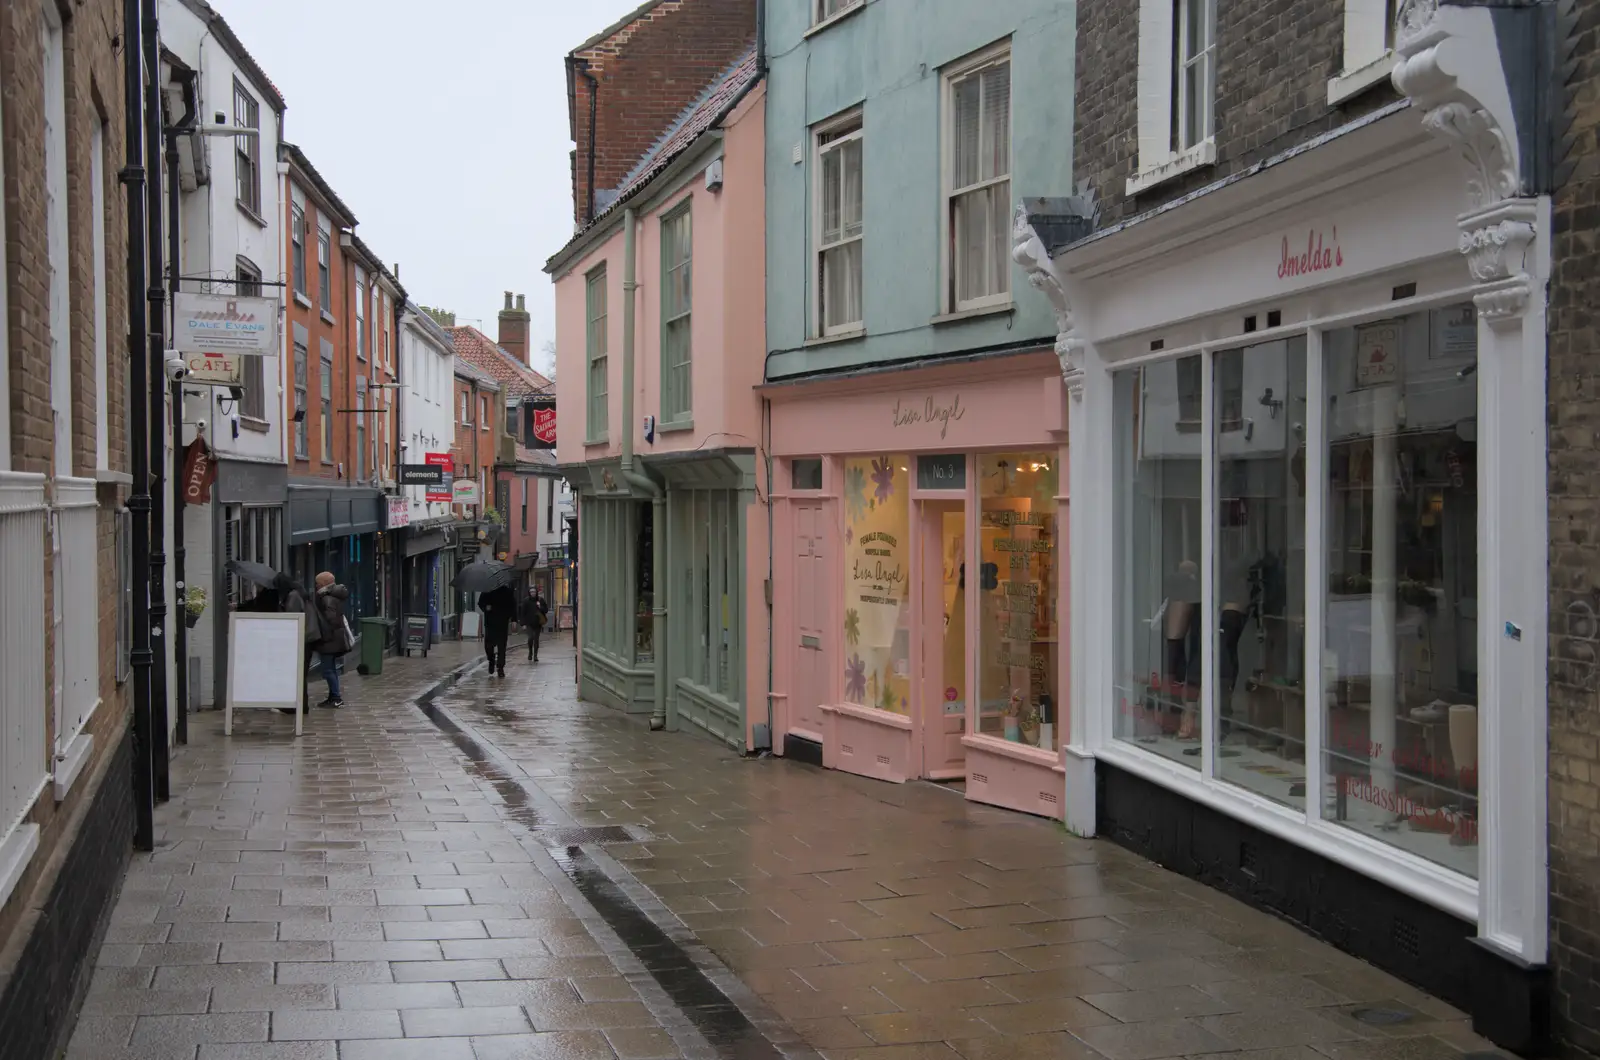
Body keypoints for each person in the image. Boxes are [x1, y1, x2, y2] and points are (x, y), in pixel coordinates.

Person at [274, 573, 319, 716]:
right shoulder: (299, 592)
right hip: (308, 638)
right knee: (301, 673)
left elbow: (291, 618)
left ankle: (297, 706)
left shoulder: (293, 596)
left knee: (298, 674)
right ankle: (301, 705)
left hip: (302, 639)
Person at [311, 572, 352, 708]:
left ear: (323, 584)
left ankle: (336, 697)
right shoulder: (333, 596)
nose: (316, 586)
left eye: (317, 583)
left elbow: (330, 620)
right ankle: (333, 696)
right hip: (335, 638)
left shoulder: (327, 598)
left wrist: (323, 634)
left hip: (330, 640)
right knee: (331, 669)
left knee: (328, 670)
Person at [478, 582, 516, 677]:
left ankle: (500, 668)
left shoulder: (507, 592)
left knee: (501, 647)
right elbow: (480, 603)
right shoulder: (487, 591)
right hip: (490, 623)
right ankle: (491, 660)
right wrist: (485, 607)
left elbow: (513, 606)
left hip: (502, 623)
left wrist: (514, 619)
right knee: (488, 646)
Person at [520, 586, 549, 662]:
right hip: (529, 623)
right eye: (531, 592)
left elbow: (546, 610)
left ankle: (535, 655)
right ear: (529, 593)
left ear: (536, 592)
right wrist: (523, 624)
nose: (533, 593)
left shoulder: (540, 600)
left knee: (536, 639)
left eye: (534, 592)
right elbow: (522, 613)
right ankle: (530, 652)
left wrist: (540, 607)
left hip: (538, 623)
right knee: (530, 638)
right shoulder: (526, 601)